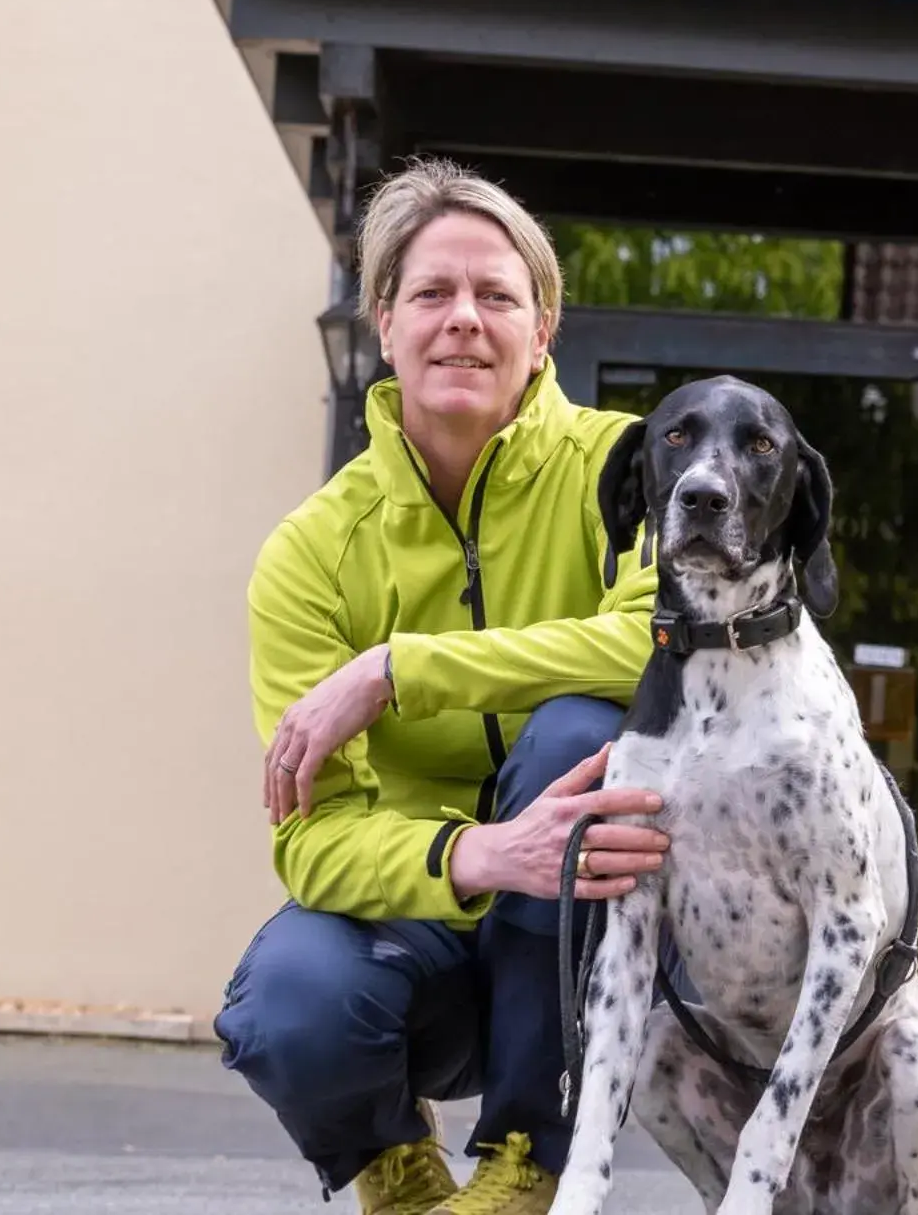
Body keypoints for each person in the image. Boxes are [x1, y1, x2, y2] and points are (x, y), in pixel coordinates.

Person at [214, 157, 687, 1215]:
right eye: (431, 292)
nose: (463, 319)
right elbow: (309, 834)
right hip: (422, 937)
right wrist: (474, 854)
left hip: (593, 949)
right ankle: (398, 1171)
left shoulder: (635, 467)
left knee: (575, 730)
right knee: (287, 999)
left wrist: (398, 670)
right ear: (384, 322)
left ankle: (527, 1162)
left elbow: (664, 641)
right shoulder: (310, 553)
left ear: (544, 326)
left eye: (496, 295)